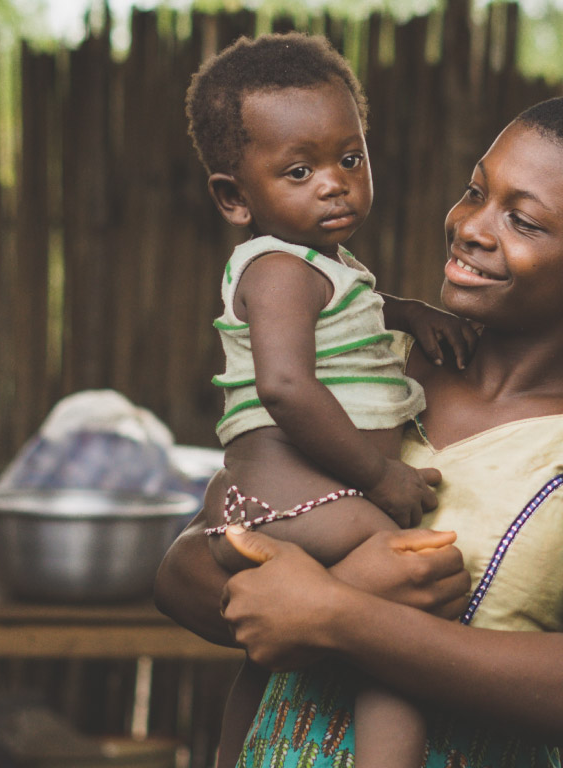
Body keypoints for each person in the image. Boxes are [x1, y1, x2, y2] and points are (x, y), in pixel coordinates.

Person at [156, 93, 563, 768]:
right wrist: (313, 599)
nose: (472, 226)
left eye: (524, 221)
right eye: (475, 191)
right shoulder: (364, 363)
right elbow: (188, 565)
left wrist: (338, 614)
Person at [183, 33, 481, 768]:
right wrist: (380, 479)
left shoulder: (321, 266)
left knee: (279, 650)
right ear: (234, 196)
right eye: (299, 169)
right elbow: (286, 386)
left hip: (291, 503)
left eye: (350, 158)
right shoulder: (279, 269)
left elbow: (352, 313)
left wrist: (407, 312)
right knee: (404, 610)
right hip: (303, 503)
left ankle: (235, 755)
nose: (334, 183)